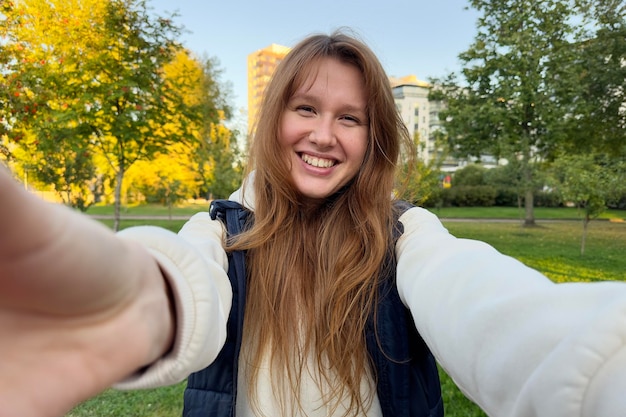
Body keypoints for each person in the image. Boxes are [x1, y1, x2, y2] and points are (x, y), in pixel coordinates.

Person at [1, 29, 626, 417]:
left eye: (350, 118)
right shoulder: (221, 230)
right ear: (276, 119)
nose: (323, 135)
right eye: (306, 108)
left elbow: (480, 301)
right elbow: (183, 287)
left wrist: (597, 369)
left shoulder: (406, 236)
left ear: (373, 135)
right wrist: (119, 303)